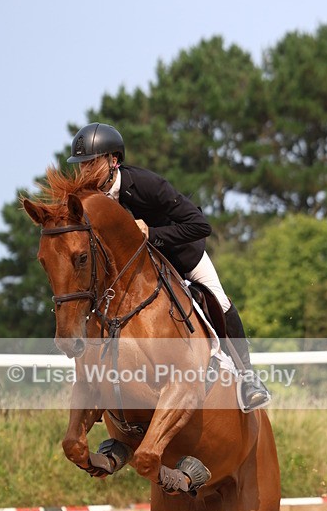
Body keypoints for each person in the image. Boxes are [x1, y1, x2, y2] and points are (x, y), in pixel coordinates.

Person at [67, 122, 270, 411]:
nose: (85, 172)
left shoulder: (147, 185)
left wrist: (152, 233)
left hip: (182, 257)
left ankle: (249, 378)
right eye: (81, 164)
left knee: (220, 302)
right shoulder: (91, 200)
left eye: (91, 163)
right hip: (137, 272)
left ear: (113, 161)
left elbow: (199, 225)